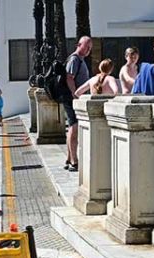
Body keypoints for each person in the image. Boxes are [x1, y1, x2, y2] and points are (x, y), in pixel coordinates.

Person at [63, 36, 92, 172]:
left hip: (73, 99)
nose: (88, 50)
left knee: (72, 128)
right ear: (79, 45)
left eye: (89, 48)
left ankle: (69, 158)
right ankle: (74, 161)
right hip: (72, 99)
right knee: (74, 128)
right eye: (86, 46)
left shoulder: (80, 59)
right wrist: (75, 94)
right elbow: (69, 77)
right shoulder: (75, 59)